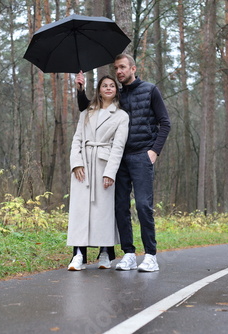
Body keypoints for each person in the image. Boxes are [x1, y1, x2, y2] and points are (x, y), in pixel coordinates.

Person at [75, 54, 171, 272]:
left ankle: (150, 256)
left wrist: (154, 152)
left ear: (133, 68)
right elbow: (89, 110)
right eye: (116, 68)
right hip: (117, 159)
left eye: (122, 67)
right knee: (120, 207)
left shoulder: (150, 90)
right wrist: (81, 89)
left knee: (144, 206)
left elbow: (165, 123)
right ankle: (128, 253)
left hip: (141, 156)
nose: (119, 71)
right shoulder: (117, 96)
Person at [67, 75, 129, 271]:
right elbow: (77, 139)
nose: (108, 88)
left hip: (103, 165)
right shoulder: (87, 112)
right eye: (105, 85)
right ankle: (78, 254)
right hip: (83, 165)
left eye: (112, 85)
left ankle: (105, 251)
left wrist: (110, 172)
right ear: (99, 89)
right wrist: (76, 163)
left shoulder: (121, 116)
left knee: (103, 211)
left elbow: (118, 146)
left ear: (116, 90)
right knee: (80, 211)